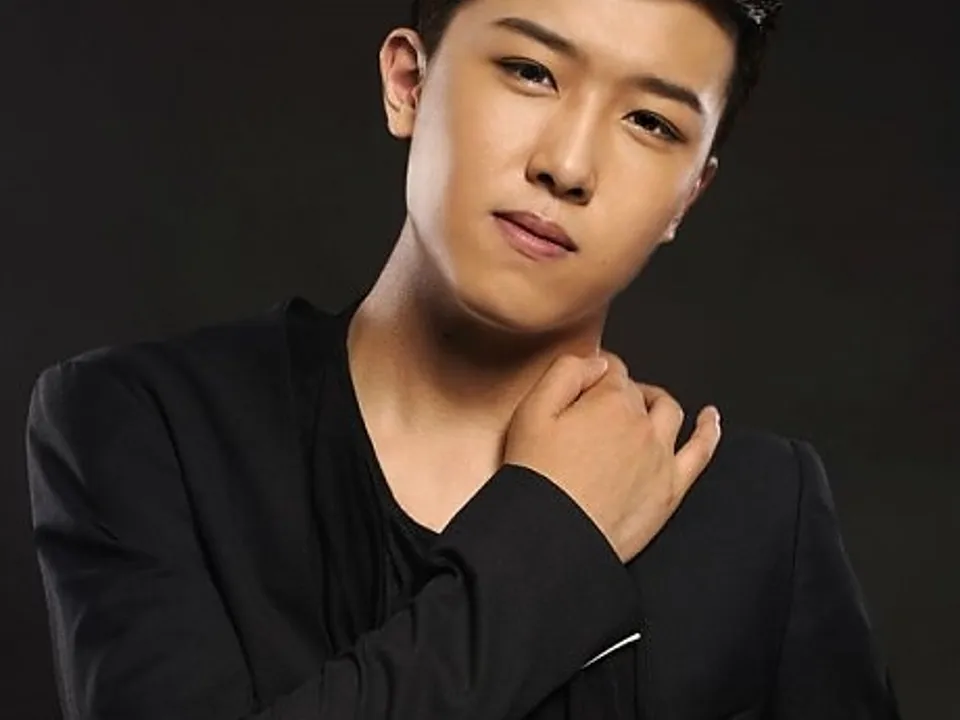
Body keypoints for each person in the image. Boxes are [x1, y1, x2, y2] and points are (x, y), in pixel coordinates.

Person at [25, 0, 901, 718]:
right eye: (530, 70)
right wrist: (554, 536)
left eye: (650, 121)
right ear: (408, 82)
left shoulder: (757, 514)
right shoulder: (145, 428)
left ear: (688, 197)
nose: (568, 165)